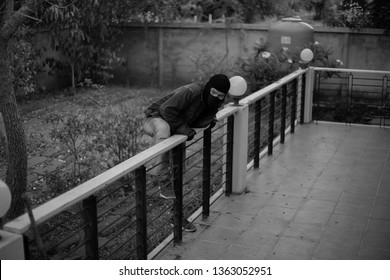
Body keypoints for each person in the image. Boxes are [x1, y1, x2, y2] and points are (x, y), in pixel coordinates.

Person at [143, 74, 230, 232]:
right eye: (214, 92)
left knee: (178, 171)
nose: (216, 97)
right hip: (156, 119)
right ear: (208, 87)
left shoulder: (212, 104)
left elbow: (197, 119)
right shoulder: (192, 91)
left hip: (176, 129)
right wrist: (184, 129)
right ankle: (160, 178)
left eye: (220, 95)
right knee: (163, 131)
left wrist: (208, 121)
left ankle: (177, 217)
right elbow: (166, 109)